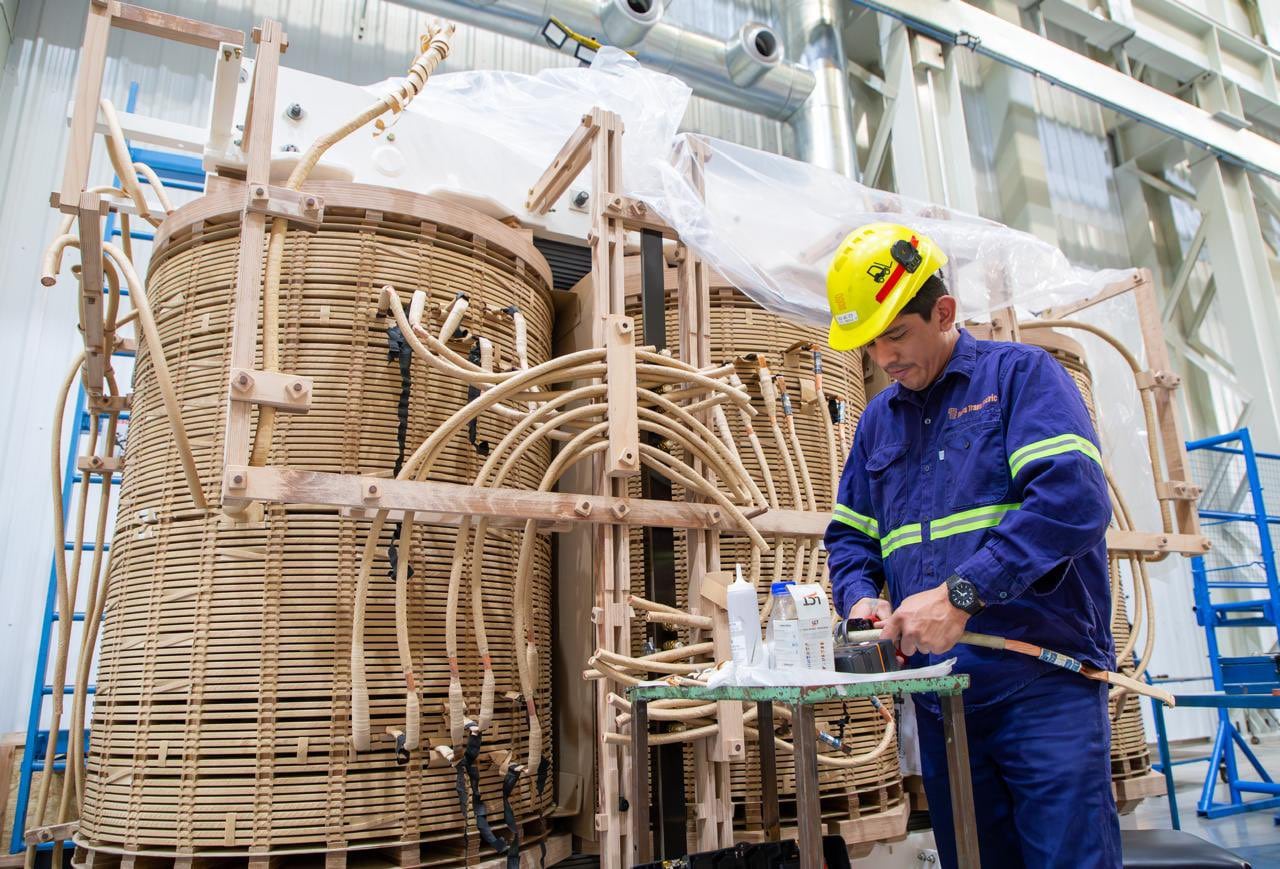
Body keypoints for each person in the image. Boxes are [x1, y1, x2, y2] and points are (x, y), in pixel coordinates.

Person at [823, 223, 1121, 868]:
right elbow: (851, 536)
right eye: (871, 343)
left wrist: (963, 593)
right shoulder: (879, 420)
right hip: (940, 695)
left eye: (897, 334)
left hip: (1040, 682)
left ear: (945, 313)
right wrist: (860, 600)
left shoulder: (1021, 378)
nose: (885, 357)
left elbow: (1072, 501)